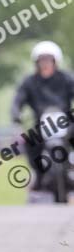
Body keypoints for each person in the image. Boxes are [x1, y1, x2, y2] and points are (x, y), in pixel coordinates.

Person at [11, 41, 74, 184]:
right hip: (40, 124)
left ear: (55, 61)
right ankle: (38, 174)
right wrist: (16, 117)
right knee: (30, 143)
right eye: (42, 60)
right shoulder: (29, 82)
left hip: (66, 122)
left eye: (49, 60)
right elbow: (17, 101)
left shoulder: (67, 78)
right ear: (37, 62)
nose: (45, 63)